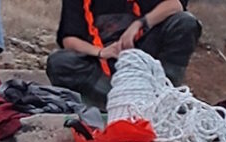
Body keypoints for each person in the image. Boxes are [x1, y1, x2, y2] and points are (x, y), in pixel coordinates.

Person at [46, 0, 201, 105]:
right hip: (105, 67)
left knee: (184, 22)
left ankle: (165, 97)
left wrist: (140, 24)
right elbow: (69, 39)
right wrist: (101, 52)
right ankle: (115, 101)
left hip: (146, 60)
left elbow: (175, 5)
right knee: (58, 62)